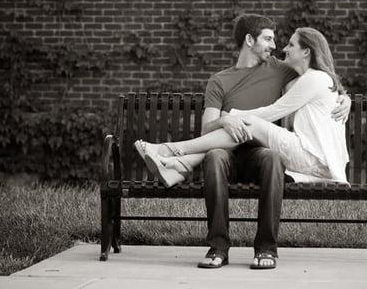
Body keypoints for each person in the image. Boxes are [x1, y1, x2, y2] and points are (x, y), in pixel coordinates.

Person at [136, 15, 350, 270]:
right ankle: (218, 247)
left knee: (271, 157)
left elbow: (321, 80)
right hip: (226, 153)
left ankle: (266, 248)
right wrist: (226, 122)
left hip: (259, 154)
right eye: (269, 39)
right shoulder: (220, 80)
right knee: (214, 156)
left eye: (284, 43)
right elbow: (208, 127)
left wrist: (345, 99)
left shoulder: (280, 70)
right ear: (250, 40)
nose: (277, 47)